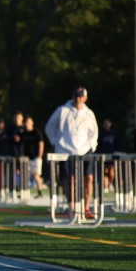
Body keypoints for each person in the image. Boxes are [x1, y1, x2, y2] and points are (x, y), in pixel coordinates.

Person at [45, 86, 98, 220]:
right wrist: (56, 142)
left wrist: (92, 145)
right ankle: (72, 208)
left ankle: (86, 208)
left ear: (85, 98)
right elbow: (49, 127)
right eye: (76, 96)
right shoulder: (62, 110)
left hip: (85, 149)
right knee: (69, 179)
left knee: (89, 178)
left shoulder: (88, 113)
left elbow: (94, 131)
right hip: (65, 150)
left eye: (80, 96)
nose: (78, 99)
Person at [18, 115, 46, 196]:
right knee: (24, 175)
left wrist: (40, 155)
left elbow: (41, 144)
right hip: (26, 158)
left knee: (36, 175)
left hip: (36, 157)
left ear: (32, 123)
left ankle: (40, 192)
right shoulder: (23, 133)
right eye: (26, 122)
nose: (27, 124)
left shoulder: (36, 132)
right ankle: (24, 192)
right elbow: (20, 144)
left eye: (28, 122)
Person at [96, 118, 121, 191]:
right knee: (104, 172)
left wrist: (117, 151)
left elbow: (118, 144)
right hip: (103, 155)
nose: (106, 125)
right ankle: (105, 186)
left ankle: (110, 183)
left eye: (108, 123)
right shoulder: (101, 134)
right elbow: (98, 145)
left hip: (112, 156)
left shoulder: (114, 133)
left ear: (110, 124)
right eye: (105, 123)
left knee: (111, 172)